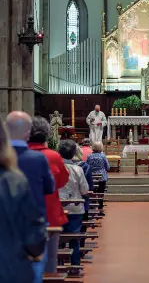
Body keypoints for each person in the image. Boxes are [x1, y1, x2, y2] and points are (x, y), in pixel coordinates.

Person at [6, 111, 55, 283]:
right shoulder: (37, 159)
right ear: (28, 133)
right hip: (30, 227)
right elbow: (50, 187)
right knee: (33, 273)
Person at [28, 116, 69, 273]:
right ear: (46, 134)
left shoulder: (13, 155)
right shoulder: (53, 156)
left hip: (20, 216)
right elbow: (61, 181)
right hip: (49, 213)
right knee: (50, 260)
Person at [58, 140, 89, 273]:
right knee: (74, 237)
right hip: (75, 207)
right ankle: (75, 266)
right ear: (73, 154)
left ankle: (58, 264)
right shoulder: (78, 169)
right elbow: (84, 190)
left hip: (59, 208)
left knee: (58, 237)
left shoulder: (55, 168)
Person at [86, 142, 110, 212]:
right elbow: (108, 167)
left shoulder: (89, 156)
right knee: (101, 192)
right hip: (102, 177)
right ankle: (100, 207)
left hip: (92, 177)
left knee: (92, 192)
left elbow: (87, 166)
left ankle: (92, 207)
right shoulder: (103, 156)